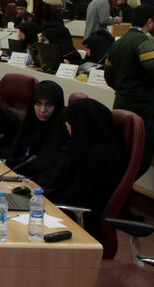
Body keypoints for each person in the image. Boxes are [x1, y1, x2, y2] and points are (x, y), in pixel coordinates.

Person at [104, 4, 154, 177]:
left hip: (120, 106)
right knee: (138, 163)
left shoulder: (118, 42)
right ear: (150, 22)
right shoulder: (146, 41)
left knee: (121, 160)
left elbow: (108, 77)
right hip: (143, 112)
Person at [37, 98, 123, 236]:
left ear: (84, 123)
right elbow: (60, 178)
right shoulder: (81, 147)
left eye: (70, 122)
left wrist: (43, 194)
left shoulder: (102, 157)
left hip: (78, 223)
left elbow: (81, 197)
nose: (67, 126)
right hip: (62, 211)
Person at [5, 80, 69, 184]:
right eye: (38, 103)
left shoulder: (61, 132)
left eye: (49, 104)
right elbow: (14, 155)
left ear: (57, 106)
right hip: (17, 179)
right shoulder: (30, 123)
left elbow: (48, 169)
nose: (42, 110)